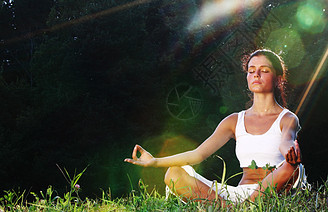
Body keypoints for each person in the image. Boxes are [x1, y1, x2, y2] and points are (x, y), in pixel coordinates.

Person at [124, 49, 306, 205]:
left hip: (273, 190)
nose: (256, 74)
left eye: (264, 70)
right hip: (238, 195)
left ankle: (233, 208)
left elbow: (286, 141)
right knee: (175, 174)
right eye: (251, 71)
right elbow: (197, 155)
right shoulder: (234, 121)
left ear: (277, 78)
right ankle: (232, 208)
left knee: (293, 168)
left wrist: (290, 152)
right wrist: (155, 161)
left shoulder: (287, 118)